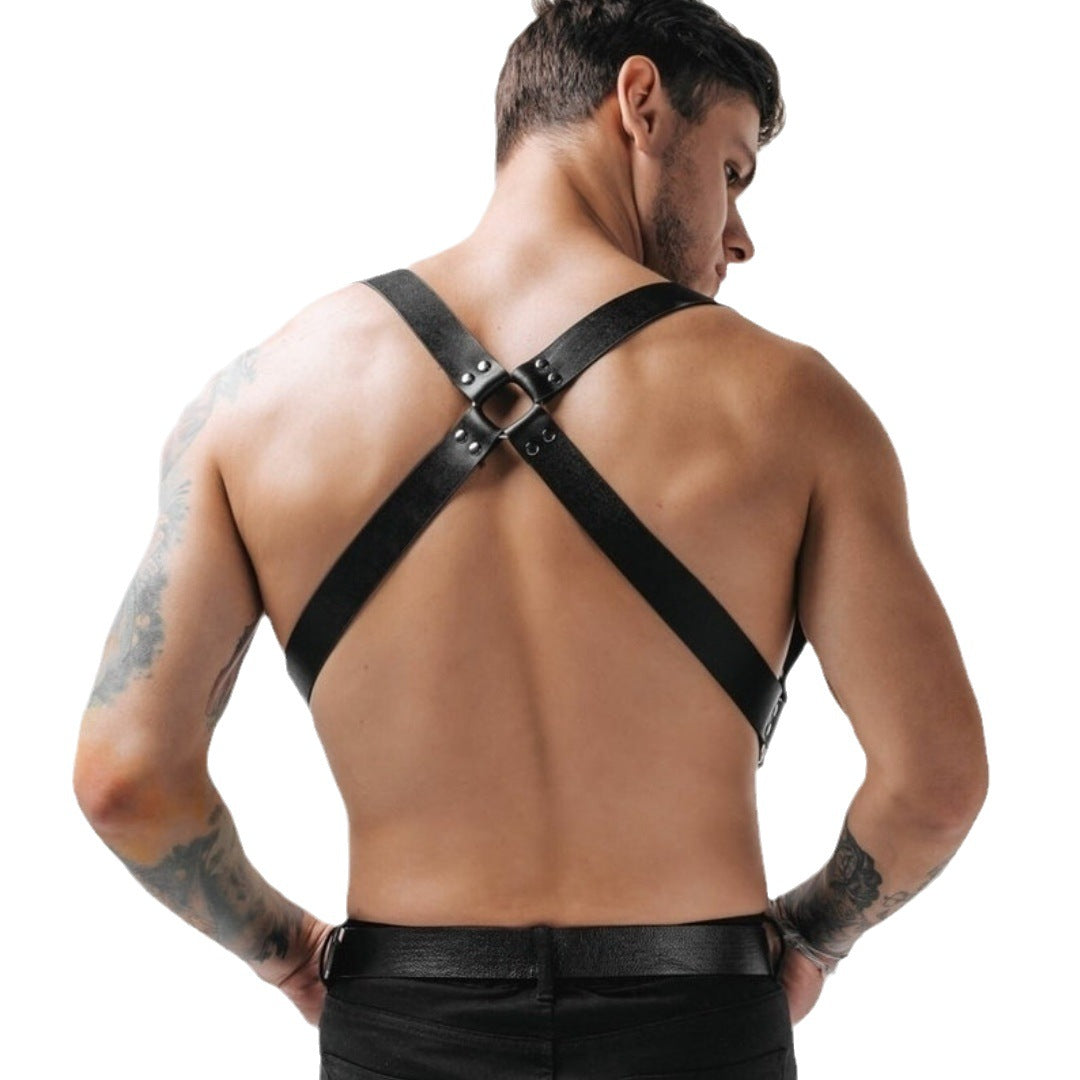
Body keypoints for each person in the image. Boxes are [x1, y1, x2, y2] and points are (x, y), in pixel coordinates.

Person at [72, 1, 988, 1076]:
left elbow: (127, 779)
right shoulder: (795, 404)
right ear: (640, 103)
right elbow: (934, 784)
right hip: (696, 1024)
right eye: (733, 170)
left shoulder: (257, 403)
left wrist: (290, 955)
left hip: (405, 1026)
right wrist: (814, 939)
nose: (740, 234)